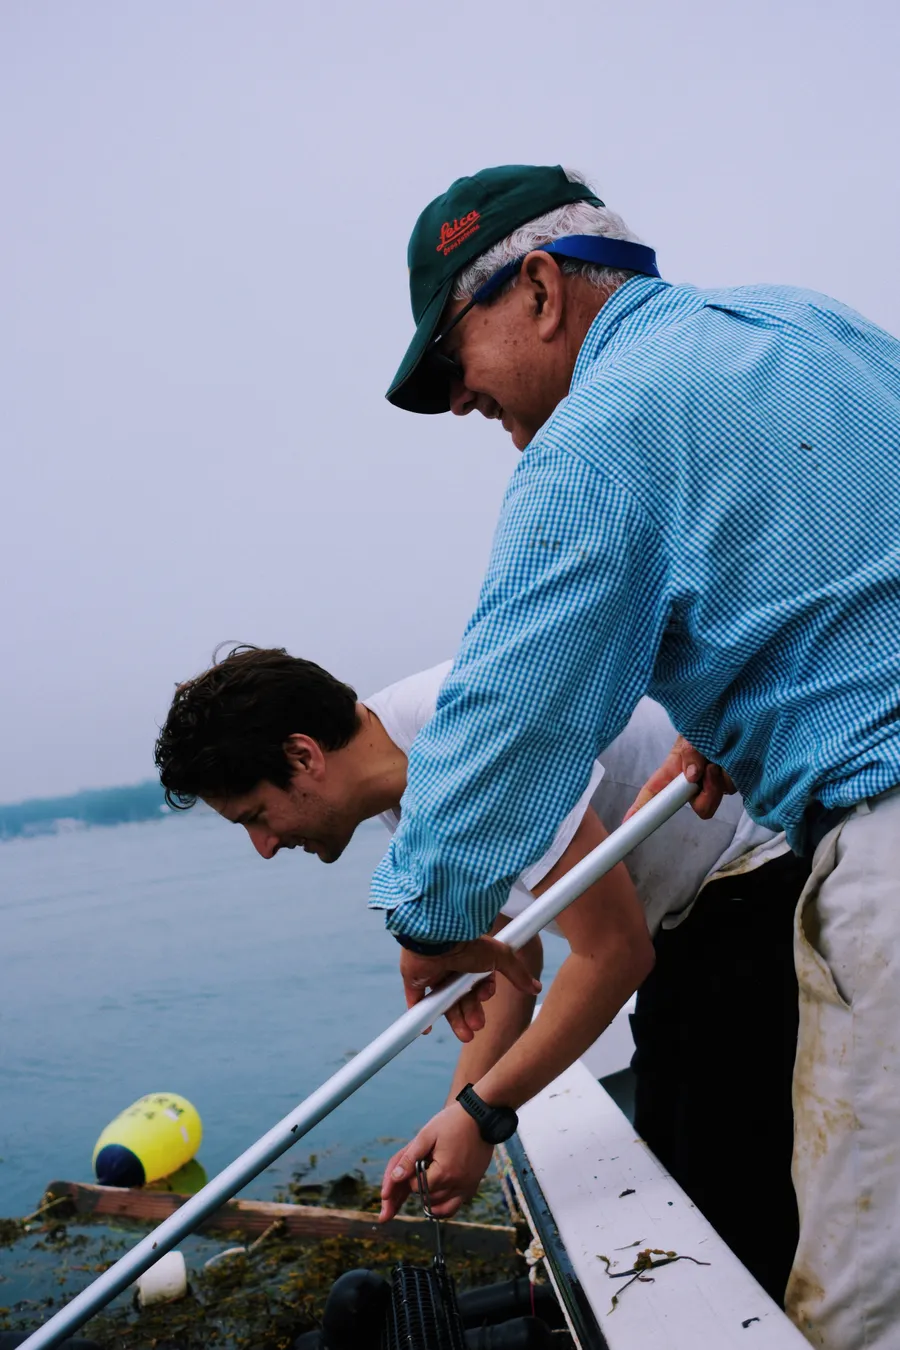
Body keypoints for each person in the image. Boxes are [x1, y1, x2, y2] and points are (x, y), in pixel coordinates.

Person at [373, 164, 900, 1347]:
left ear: (543, 290)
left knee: (865, 1311)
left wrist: (431, 914)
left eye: (453, 361)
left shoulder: (595, 441)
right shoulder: (808, 322)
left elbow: (515, 710)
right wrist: (739, 719)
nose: (460, 402)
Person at [154, 644, 806, 1301]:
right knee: (677, 1148)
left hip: (752, 869)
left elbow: (613, 954)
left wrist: (483, 1114)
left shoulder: (467, 752)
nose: (264, 847)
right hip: (684, 915)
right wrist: (457, 1117)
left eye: (257, 817)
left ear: (302, 756)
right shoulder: (399, 777)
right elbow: (512, 960)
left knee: (725, 1192)